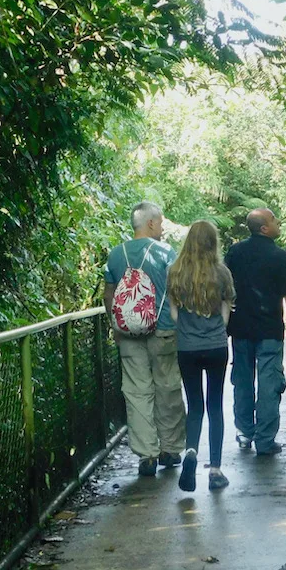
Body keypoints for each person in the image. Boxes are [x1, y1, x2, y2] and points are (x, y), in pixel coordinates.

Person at [104, 202, 186, 476]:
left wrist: (115, 326)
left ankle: (147, 455)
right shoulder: (165, 253)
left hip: (127, 333)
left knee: (136, 391)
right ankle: (171, 449)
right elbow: (177, 290)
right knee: (168, 387)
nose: (162, 229)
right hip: (163, 330)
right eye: (161, 223)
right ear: (150, 223)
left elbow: (109, 294)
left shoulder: (116, 255)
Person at [225, 208, 286, 456]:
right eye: (274, 220)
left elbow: (224, 287)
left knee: (243, 381)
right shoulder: (280, 256)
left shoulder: (235, 252)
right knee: (269, 383)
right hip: (269, 329)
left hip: (240, 328)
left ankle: (245, 432)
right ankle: (265, 440)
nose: (279, 222)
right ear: (264, 228)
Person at [167, 220, 236, 492]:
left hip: (187, 347)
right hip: (216, 345)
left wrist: (187, 327)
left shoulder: (175, 272)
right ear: (213, 242)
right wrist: (216, 328)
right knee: (215, 405)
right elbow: (226, 312)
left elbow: (173, 313)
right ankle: (216, 469)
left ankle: (192, 452)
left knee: (195, 405)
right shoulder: (222, 273)